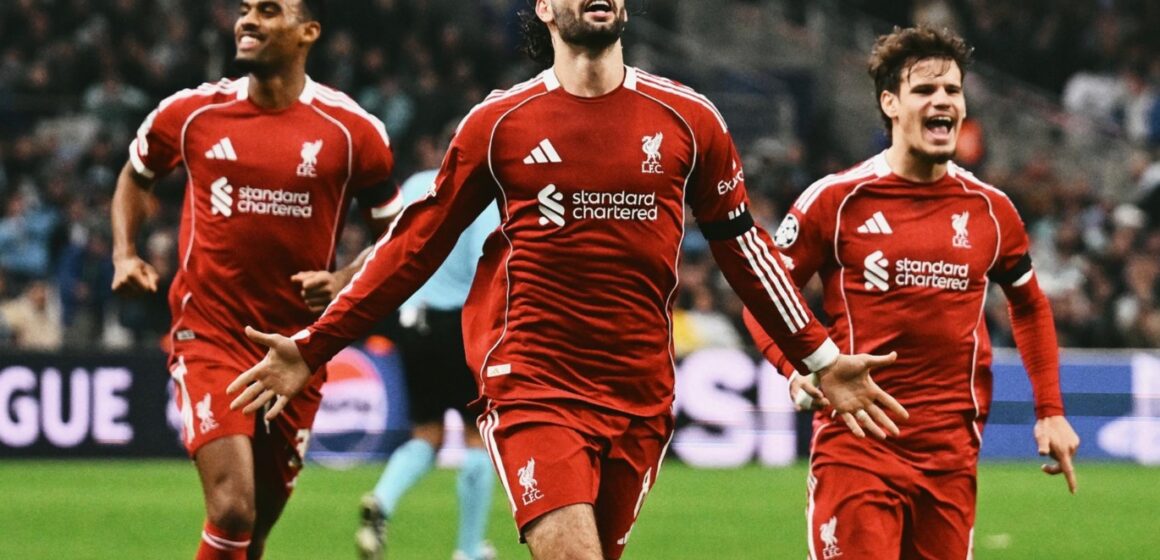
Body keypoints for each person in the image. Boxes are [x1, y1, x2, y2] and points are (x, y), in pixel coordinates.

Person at [228, 1, 907, 558]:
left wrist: (817, 356)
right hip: (534, 383)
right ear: (546, 9)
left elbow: (743, 251)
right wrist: (315, 344)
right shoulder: (499, 125)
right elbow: (411, 247)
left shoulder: (689, 120)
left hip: (640, 394)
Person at [742, 26, 1080, 560]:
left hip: (951, 455)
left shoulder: (991, 210)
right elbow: (764, 295)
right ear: (890, 103)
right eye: (924, 90)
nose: (942, 100)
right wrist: (799, 370)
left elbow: (1030, 303)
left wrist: (1050, 409)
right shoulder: (836, 200)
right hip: (858, 446)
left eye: (952, 89)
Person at [110, 1, 401, 558]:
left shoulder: (353, 131)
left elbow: (399, 235)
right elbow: (135, 176)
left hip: (298, 352)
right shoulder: (192, 113)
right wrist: (125, 253)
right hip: (211, 334)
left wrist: (345, 277)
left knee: (254, 530)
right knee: (231, 508)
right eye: (244, 10)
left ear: (308, 33)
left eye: (269, 11)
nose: (247, 21)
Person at [356, 160, 501, 560]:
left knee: (426, 433)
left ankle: (382, 501)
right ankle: (469, 549)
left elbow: (389, 249)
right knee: (477, 437)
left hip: (411, 320)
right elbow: (482, 266)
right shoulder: (482, 197)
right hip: (457, 324)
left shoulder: (417, 183)